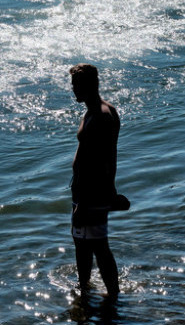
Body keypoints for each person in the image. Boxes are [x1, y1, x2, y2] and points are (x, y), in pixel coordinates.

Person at [68, 63, 120, 297]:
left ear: (89, 85)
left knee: (99, 247)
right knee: (83, 246)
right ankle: (85, 292)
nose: (73, 90)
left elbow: (102, 163)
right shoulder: (96, 111)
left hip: (91, 196)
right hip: (87, 194)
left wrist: (85, 204)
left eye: (76, 85)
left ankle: (113, 299)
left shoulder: (102, 116)